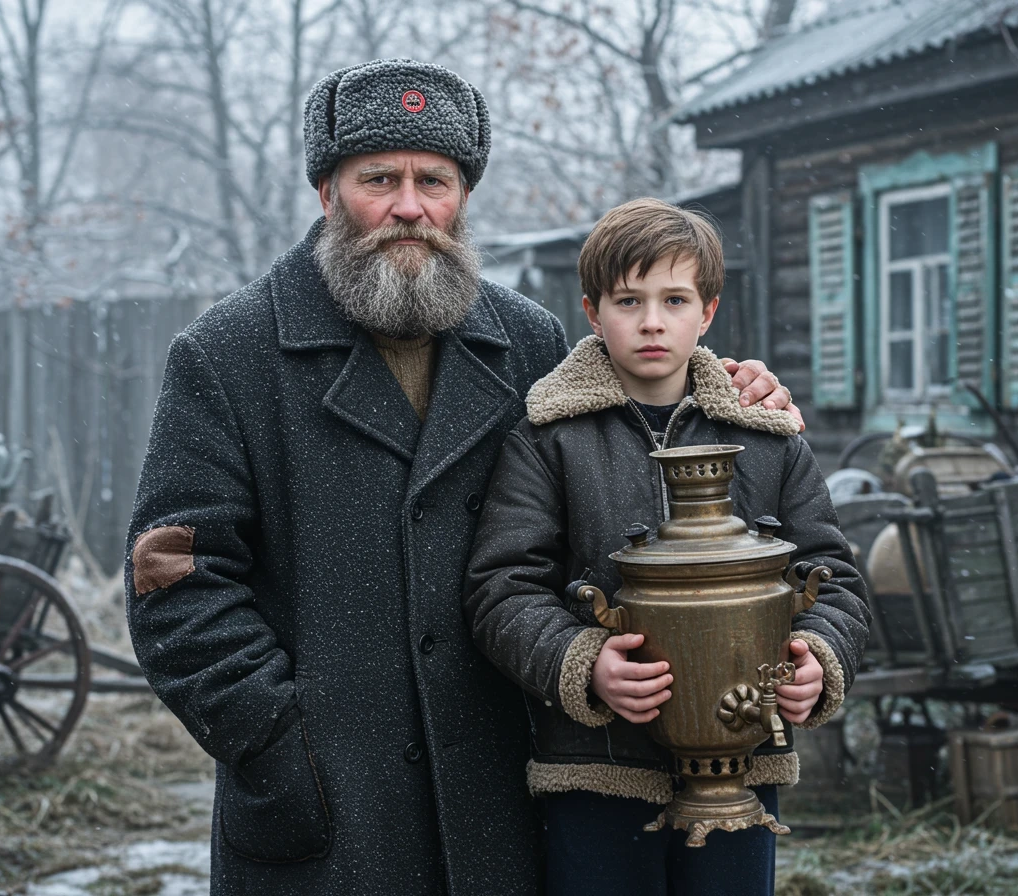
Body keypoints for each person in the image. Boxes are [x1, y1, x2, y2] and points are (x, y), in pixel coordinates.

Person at [124, 61, 798, 896]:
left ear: (463, 197)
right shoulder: (228, 354)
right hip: (325, 810)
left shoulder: (524, 340)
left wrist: (728, 393)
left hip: (497, 801)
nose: (410, 206)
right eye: (379, 178)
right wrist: (277, 741)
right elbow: (175, 586)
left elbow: (629, 443)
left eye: (433, 181)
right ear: (326, 191)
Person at [463, 198, 870, 896]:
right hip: (597, 766)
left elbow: (831, 578)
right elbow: (501, 587)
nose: (652, 321)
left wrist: (818, 660)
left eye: (674, 299)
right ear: (593, 312)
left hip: (741, 756)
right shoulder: (548, 439)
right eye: (629, 300)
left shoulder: (766, 435)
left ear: (707, 311)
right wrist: (581, 663)